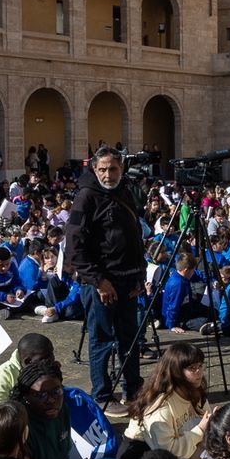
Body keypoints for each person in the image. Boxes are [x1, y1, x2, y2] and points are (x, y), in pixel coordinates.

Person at [67, 148, 148, 411]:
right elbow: (75, 248)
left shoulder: (125, 192)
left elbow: (135, 238)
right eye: (102, 169)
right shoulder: (86, 197)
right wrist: (98, 281)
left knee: (130, 339)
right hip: (101, 284)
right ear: (94, 169)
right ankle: (102, 394)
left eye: (113, 168)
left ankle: (133, 390)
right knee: (102, 340)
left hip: (128, 281)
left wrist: (139, 277)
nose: (108, 174)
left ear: (121, 168)